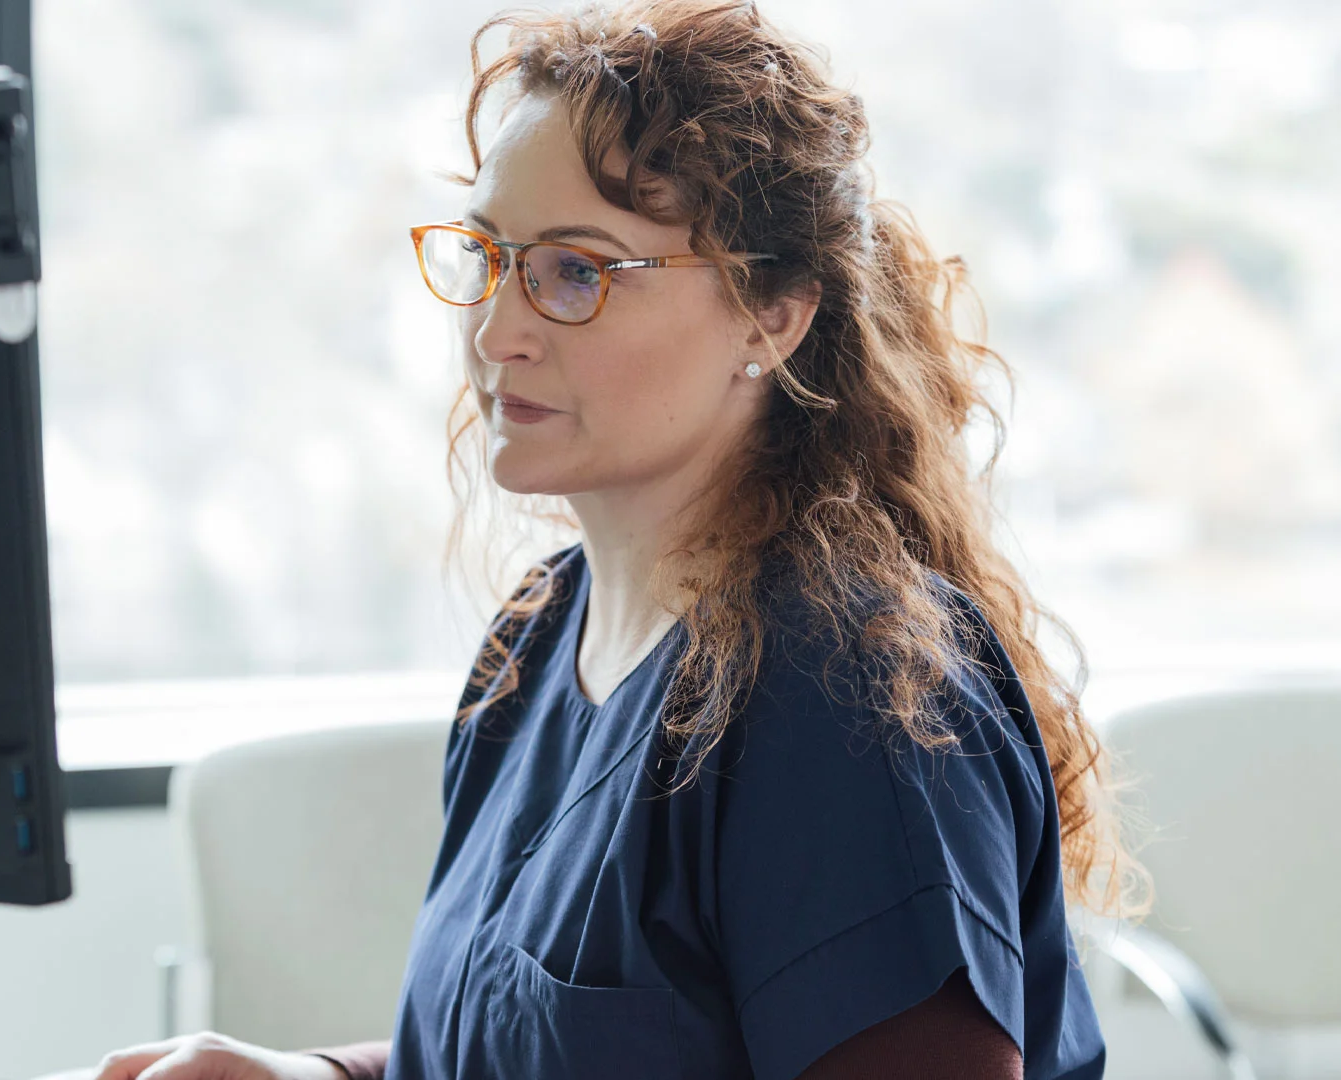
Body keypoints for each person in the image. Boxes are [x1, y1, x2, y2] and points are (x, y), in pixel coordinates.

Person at [71, 1, 1150, 1077]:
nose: (496, 332)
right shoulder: (541, 638)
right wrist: (310, 1076)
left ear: (770, 318)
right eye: (489, 257)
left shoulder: (837, 691)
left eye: (576, 272)